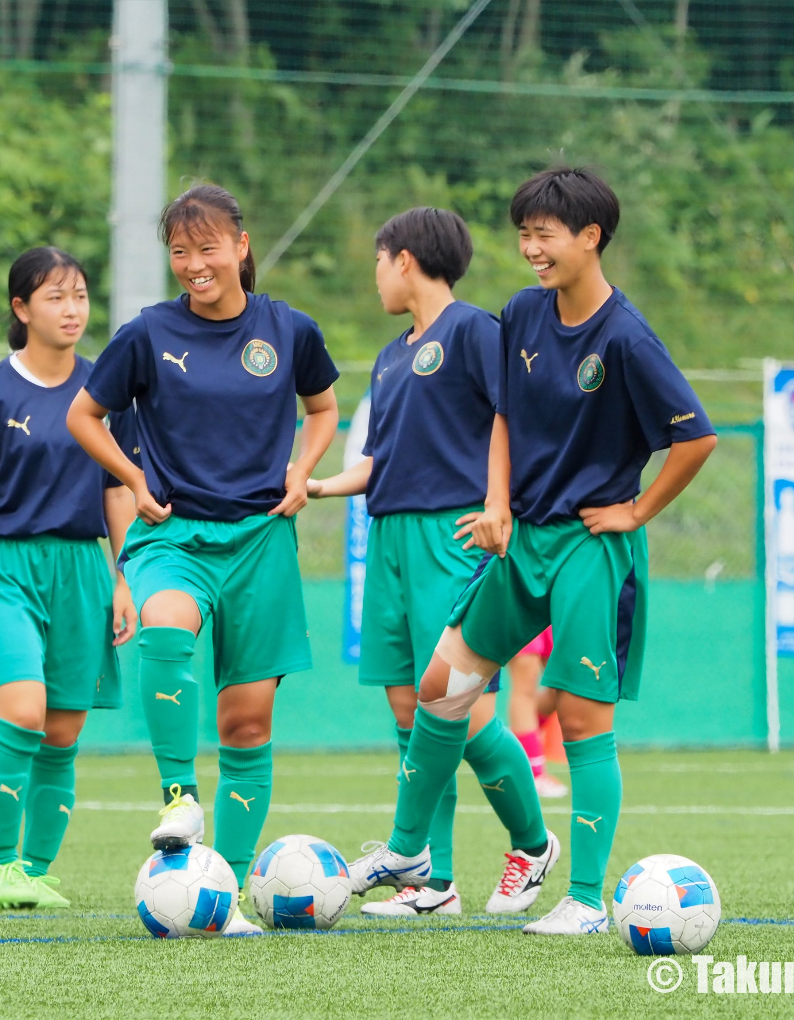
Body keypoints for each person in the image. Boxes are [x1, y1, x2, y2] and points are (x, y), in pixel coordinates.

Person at [346, 166, 718, 936]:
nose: (530, 248)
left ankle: (584, 899)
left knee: (582, 721)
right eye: (523, 234)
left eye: (544, 234)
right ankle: (412, 856)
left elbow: (697, 436)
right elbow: (504, 417)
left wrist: (637, 510)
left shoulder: (626, 336)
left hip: (588, 544)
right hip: (523, 542)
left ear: (591, 237)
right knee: (442, 686)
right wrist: (496, 504)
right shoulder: (519, 314)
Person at [67, 184, 340, 936]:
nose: (194, 264)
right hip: (174, 535)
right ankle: (179, 796)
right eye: (180, 251)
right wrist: (130, 476)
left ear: (241, 247)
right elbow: (83, 416)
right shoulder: (147, 334)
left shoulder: (288, 330)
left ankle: (230, 884)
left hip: (260, 542)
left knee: (247, 724)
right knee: (163, 629)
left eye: (207, 247)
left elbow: (322, 409)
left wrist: (300, 468)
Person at [308, 207, 558, 917]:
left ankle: (534, 843)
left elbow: (516, 419)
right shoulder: (390, 357)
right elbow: (378, 460)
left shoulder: (477, 330)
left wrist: (500, 503)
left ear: (407, 259)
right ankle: (433, 883)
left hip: (452, 538)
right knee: (407, 709)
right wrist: (318, 485)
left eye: (378, 262)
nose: (376, 277)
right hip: (386, 538)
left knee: (458, 706)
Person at [0, 246, 138, 910]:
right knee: (22, 711)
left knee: (64, 731)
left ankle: (36, 866)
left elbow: (118, 492)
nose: (72, 309)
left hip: (84, 568)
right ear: (21, 309)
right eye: (55, 297)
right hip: (7, 566)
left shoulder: (104, 393)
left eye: (79, 295)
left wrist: (122, 576)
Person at [506, 626, 569, 798]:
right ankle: (533, 774)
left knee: (563, 687)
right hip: (522, 604)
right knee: (525, 685)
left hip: (553, 608)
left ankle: (516, 744)